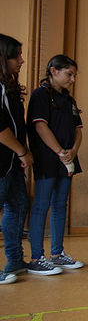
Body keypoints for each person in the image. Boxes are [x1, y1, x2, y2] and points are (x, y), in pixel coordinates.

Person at [26, 54, 84, 275]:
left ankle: (57, 254)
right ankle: (36, 257)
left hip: (67, 161)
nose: (72, 79)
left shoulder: (69, 100)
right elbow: (41, 127)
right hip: (48, 159)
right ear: (53, 71)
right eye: (69, 74)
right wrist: (59, 152)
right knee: (41, 206)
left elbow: (78, 130)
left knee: (61, 205)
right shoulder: (40, 95)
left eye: (74, 75)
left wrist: (72, 152)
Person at [0, 34, 33, 285]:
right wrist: (22, 152)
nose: (21, 60)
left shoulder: (9, 87)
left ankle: (15, 260)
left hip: (12, 164)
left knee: (18, 205)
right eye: (16, 56)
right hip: (5, 161)